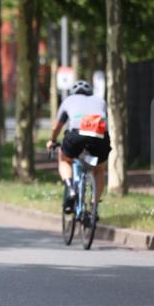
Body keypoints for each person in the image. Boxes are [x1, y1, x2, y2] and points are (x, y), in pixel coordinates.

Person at [46, 80, 111, 214]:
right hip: (99, 136)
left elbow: (56, 127)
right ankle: (94, 205)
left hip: (76, 135)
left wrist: (52, 140)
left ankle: (70, 188)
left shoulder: (68, 100)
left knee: (64, 159)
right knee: (99, 169)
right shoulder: (100, 101)